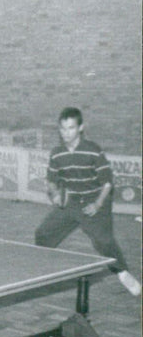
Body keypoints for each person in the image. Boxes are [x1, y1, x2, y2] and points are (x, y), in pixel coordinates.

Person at [34, 107, 141, 297]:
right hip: (71, 201)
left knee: (103, 241)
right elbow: (51, 180)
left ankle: (123, 272)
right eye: (63, 129)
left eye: (71, 128)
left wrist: (97, 205)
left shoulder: (93, 150)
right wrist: (55, 194)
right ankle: (42, 271)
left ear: (80, 128)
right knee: (42, 233)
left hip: (95, 199)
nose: (66, 133)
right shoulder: (57, 153)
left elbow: (107, 183)